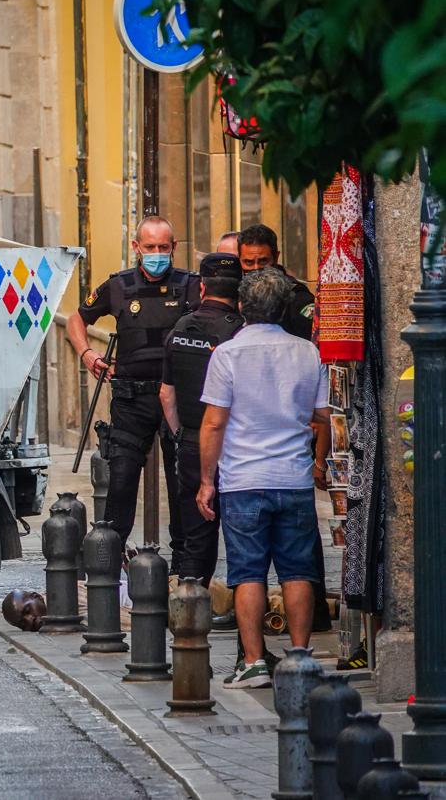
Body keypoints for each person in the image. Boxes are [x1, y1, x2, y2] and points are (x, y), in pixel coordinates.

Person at [196, 267, 331, 689]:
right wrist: (320, 463)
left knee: (247, 572)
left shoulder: (227, 355)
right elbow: (324, 417)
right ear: (285, 308)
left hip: (243, 479)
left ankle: (253, 661)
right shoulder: (308, 353)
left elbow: (213, 424)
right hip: (292, 477)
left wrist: (206, 480)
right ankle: (300, 658)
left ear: (242, 307)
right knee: (297, 571)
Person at [67, 216, 201, 557]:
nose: (157, 254)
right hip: (132, 399)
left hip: (178, 398)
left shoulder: (191, 285)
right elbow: (76, 319)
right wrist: (86, 352)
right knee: (122, 482)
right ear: (136, 247)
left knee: (181, 484)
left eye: (163, 247)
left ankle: (183, 570)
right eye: (150, 247)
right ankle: (107, 570)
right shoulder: (118, 286)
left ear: (173, 247)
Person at [160, 253, 243, 589]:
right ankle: (242, 611)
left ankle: (190, 607)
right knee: (241, 539)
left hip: (193, 444)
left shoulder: (179, 329)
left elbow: (166, 395)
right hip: (233, 446)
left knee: (195, 535)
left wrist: (182, 435)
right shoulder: (239, 334)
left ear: (203, 286)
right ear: (238, 291)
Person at [236, 223, 316, 340]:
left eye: (263, 261)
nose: (256, 268)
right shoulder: (235, 291)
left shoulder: (297, 298)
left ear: (276, 257)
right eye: (248, 262)